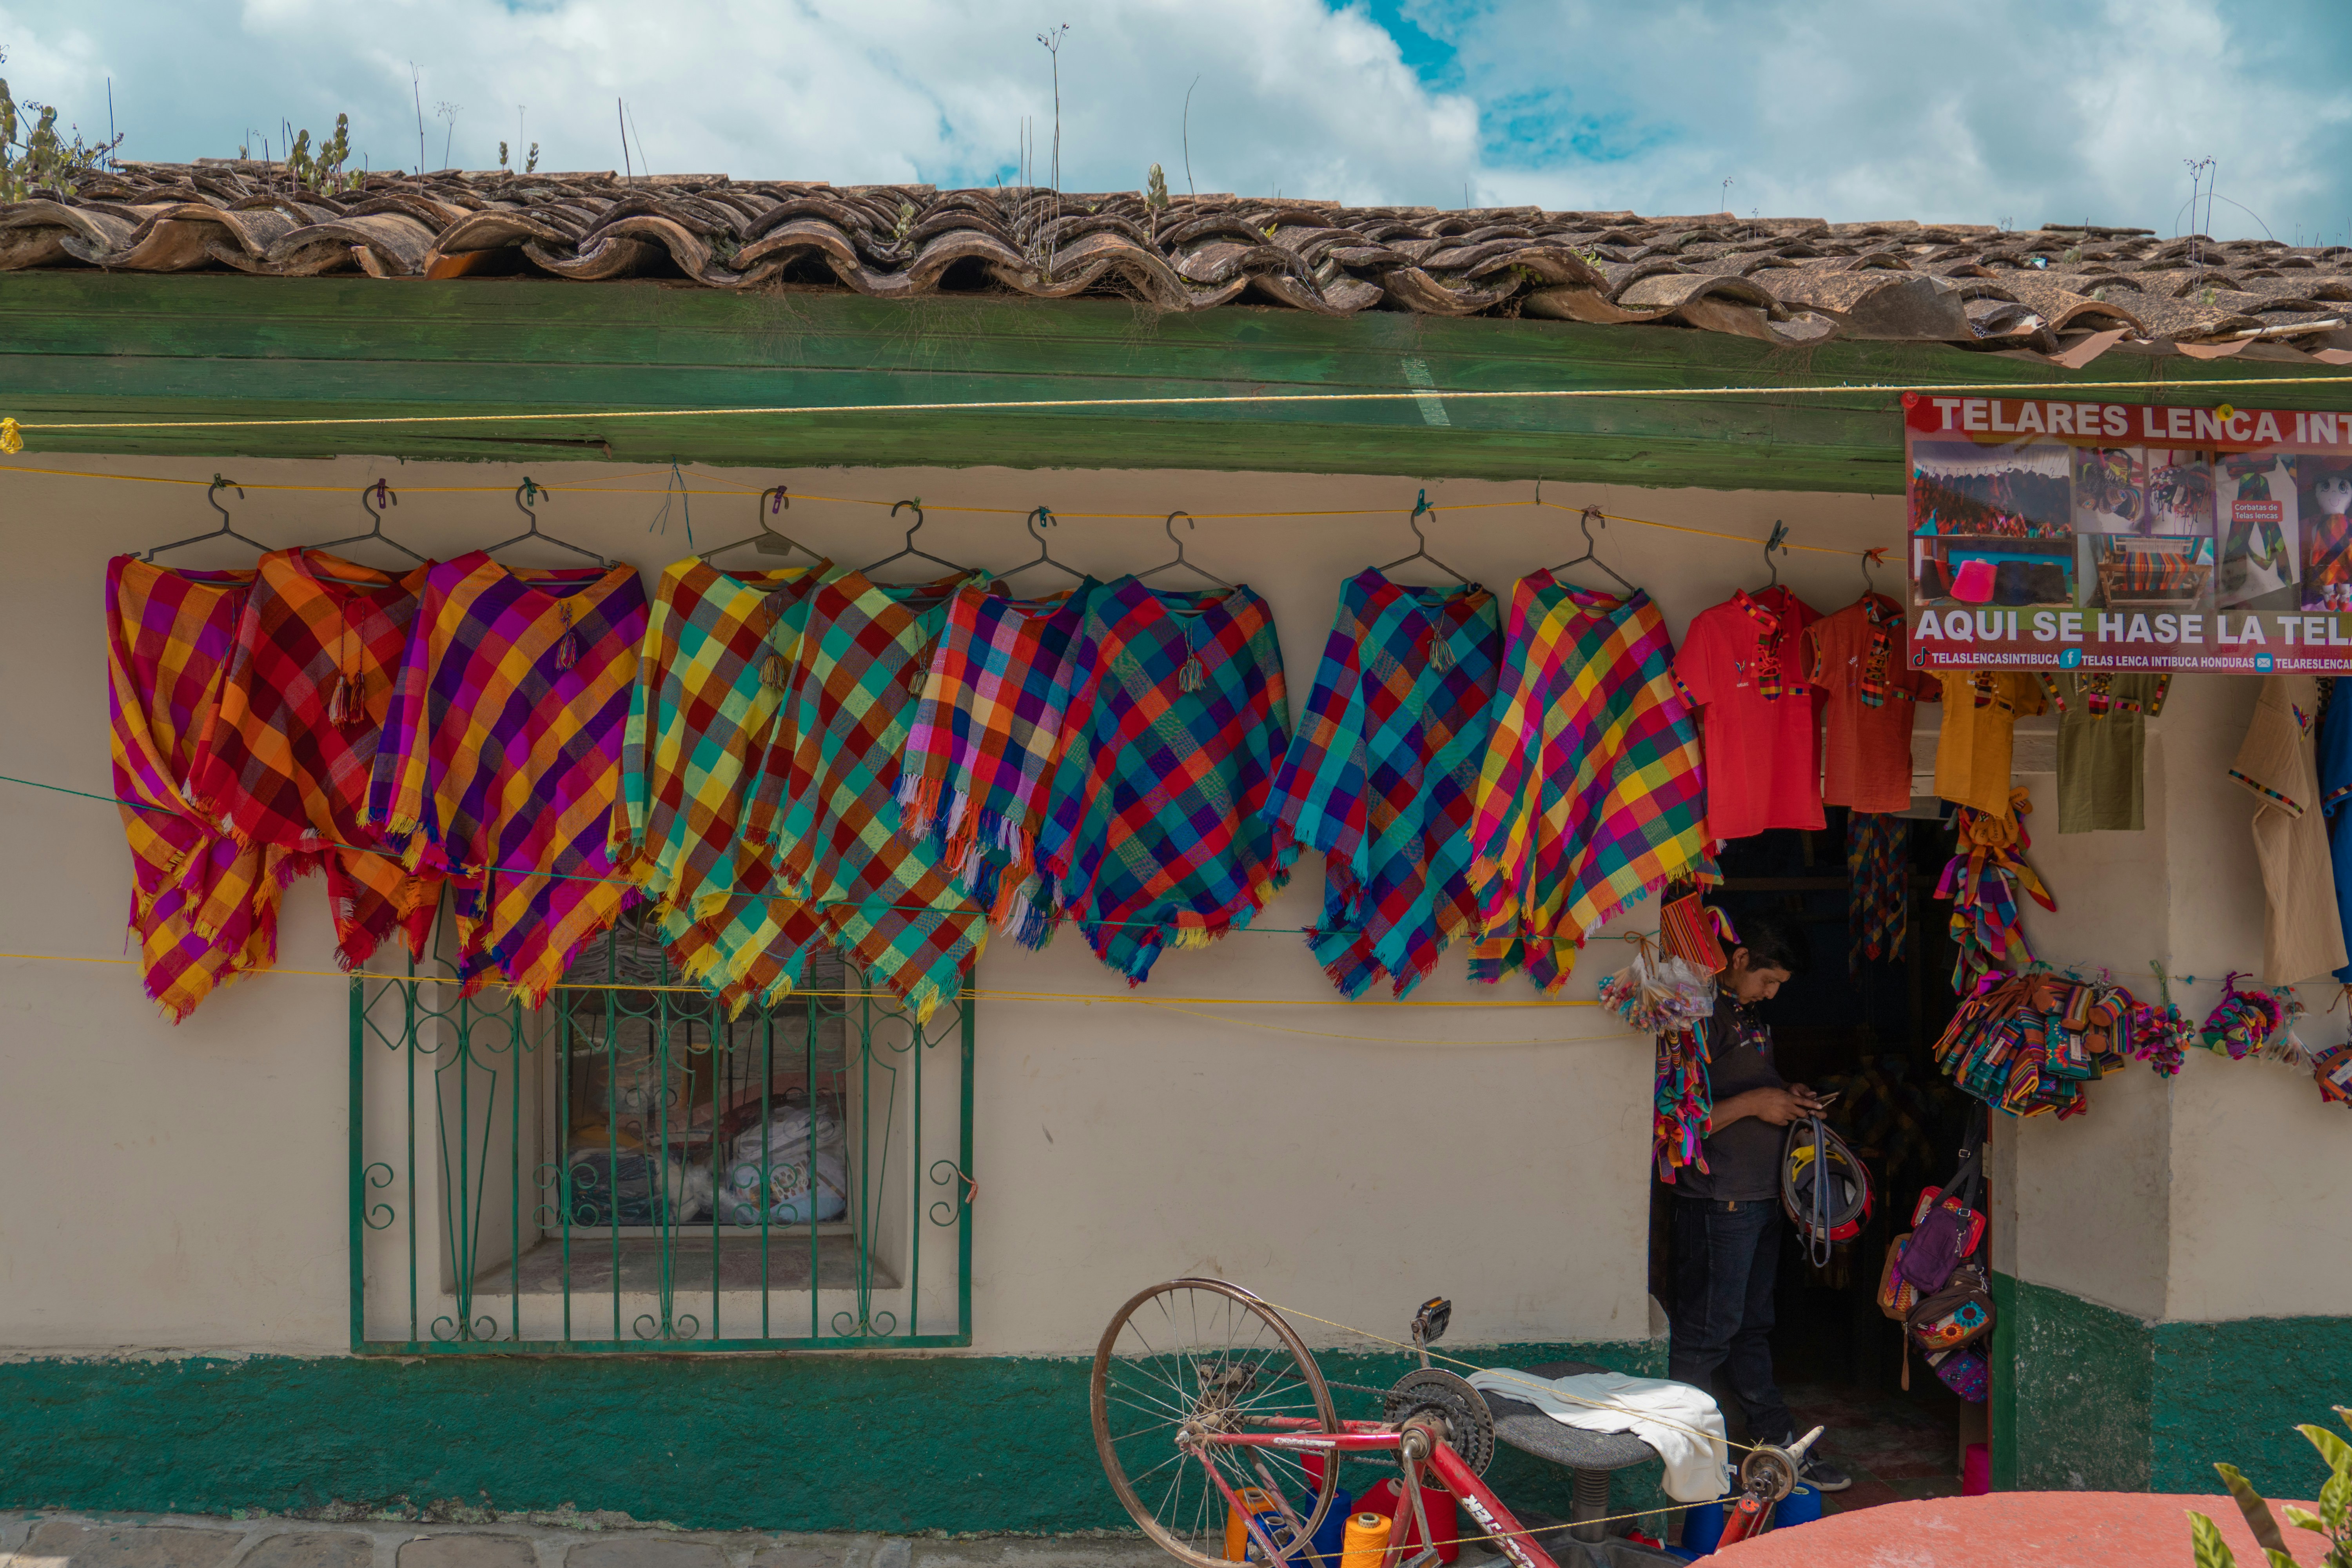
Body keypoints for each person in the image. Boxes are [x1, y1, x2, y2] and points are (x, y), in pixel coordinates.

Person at [1664, 908, 1851, 1492]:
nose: (1771, 993)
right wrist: (1755, 1107)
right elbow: (1673, 1118)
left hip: (1758, 1197)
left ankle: (1775, 1448)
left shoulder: (1747, 1017)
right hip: (1718, 1199)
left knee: (1752, 1327)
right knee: (1706, 1335)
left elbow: (1747, 1086)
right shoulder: (1694, 1016)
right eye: (1767, 980)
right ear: (1740, 959)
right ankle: (1686, 1463)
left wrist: (1783, 1094)